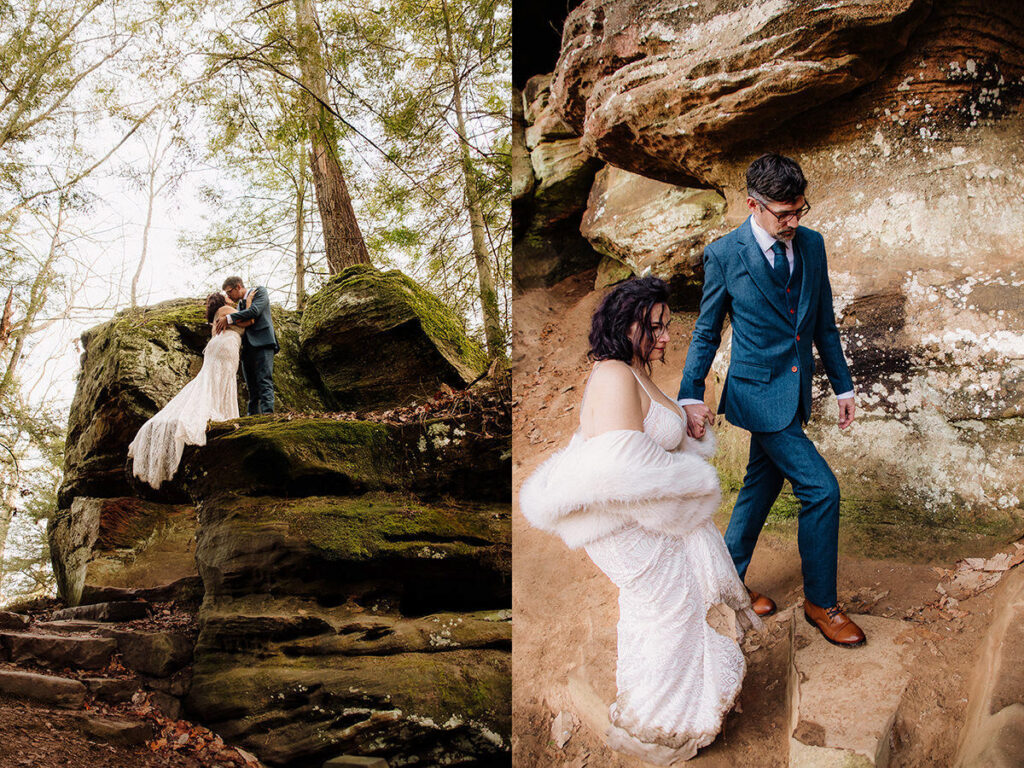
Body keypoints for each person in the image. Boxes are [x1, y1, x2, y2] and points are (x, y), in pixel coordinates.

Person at [520, 276, 761, 765]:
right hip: (628, 528)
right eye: (656, 327)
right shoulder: (612, 374)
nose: (668, 336)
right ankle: (657, 726)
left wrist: (688, 424)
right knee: (667, 612)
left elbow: (651, 444)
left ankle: (675, 708)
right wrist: (693, 485)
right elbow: (623, 473)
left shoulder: (634, 370)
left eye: (667, 325)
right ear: (625, 324)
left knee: (674, 609)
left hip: (647, 519)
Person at [677, 153, 865, 647]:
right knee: (821, 489)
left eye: (799, 210)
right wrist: (690, 394)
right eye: (784, 214)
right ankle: (821, 604)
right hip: (756, 394)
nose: (794, 222)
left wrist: (842, 385)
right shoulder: (723, 254)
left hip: (796, 389)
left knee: (760, 487)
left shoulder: (813, 245)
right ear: (752, 205)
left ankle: (726, 581)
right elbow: (705, 332)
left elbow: (823, 322)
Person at [128, 292, 253, 489]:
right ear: (223, 302)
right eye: (227, 297)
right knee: (222, 379)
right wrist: (249, 303)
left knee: (209, 381)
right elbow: (249, 320)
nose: (230, 300)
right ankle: (222, 412)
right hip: (227, 346)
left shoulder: (215, 317)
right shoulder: (226, 310)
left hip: (216, 347)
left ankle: (217, 410)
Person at [213, 277, 278, 415]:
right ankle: (252, 417)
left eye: (229, 292)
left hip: (263, 343)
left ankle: (268, 416)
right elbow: (245, 320)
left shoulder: (260, 291)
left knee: (264, 380)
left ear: (237, 287)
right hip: (246, 348)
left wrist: (228, 319)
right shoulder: (239, 306)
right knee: (251, 386)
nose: (228, 296)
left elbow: (254, 312)